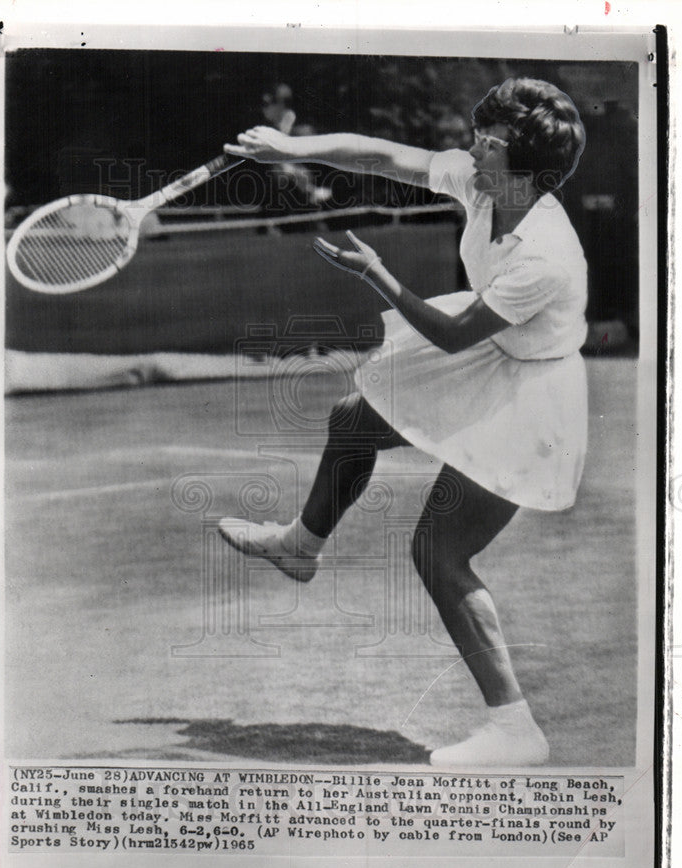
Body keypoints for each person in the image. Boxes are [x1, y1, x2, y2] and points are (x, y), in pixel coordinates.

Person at [218, 78, 588, 767]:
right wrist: (290, 147)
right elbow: (385, 156)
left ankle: (516, 730)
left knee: (440, 555)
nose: (474, 143)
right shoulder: (485, 184)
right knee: (354, 417)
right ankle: (301, 545)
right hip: (492, 354)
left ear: (524, 164)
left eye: (491, 140)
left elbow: (451, 336)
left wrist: (379, 275)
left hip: (530, 397)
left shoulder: (546, 255)